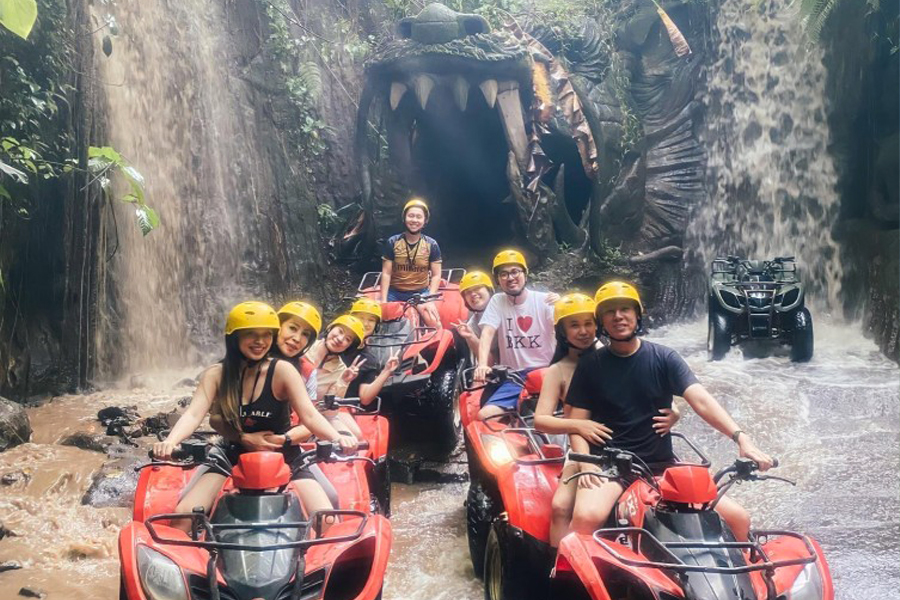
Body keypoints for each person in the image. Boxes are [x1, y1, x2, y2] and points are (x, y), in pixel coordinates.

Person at [565, 282, 774, 542]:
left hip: (661, 467)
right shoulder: (590, 366)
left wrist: (742, 438)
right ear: (602, 322)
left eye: (624, 309)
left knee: (738, 517)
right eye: (610, 312)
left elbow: (701, 400)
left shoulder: (664, 358)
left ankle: (746, 577)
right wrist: (585, 462)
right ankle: (566, 578)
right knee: (587, 518)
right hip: (610, 466)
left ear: (637, 314)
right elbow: (577, 424)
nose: (618, 316)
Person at [152, 302, 356, 532]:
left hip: (285, 454)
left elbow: (309, 414)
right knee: (182, 516)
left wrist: (337, 437)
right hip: (232, 453)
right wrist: (171, 440)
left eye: (266, 335)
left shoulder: (283, 371)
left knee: (327, 519)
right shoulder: (215, 375)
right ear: (235, 336)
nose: (260, 341)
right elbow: (193, 414)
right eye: (251, 334)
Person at [533, 293, 680, 548]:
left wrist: (675, 413)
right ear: (561, 332)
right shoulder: (558, 370)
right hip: (583, 448)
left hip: (629, 445)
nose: (583, 331)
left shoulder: (612, 354)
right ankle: (558, 563)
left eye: (588, 323)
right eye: (574, 325)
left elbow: (656, 394)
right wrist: (578, 425)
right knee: (560, 506)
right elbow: (541, 420)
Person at [473, 249, 558, 420]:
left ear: (525, 274)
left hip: (549, 373)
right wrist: (482, 365)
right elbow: (487, 332)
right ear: (498, 280)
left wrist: (562, 306)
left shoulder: (545, 301)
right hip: (516, 377)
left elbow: (567, 330)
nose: (510, 278)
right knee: (484, 417)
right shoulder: (498, 301)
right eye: (503, 274)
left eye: (515, 271)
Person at [380, 198, 442, 327]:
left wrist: (430, 299)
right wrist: (384, 300)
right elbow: (386, 273)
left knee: (435, 323)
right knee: (379, 320)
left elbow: (436, 275)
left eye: (419, 217)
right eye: (411, 216)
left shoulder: (431, 244)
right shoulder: (393, 242)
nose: (414, 220)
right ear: (404, 218)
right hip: (395, 292)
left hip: (420, 293)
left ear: (425, 221)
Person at [305, 314, 369, 439]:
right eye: (340, 331)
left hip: (315, 414)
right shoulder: (304, 348)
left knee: (352, 438)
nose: (340, 339)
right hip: (287, 410)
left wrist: (343, 382)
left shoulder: (341, 370)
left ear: (349, 347)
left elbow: (329, 412)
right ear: (330, 329)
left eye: (347, 339)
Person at [346, 297, 400, 406]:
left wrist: (386, 371)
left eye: (371, 320)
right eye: (361, 318)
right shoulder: (335, 342)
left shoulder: (369, 359)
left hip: (342, 406)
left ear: (376, 326)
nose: (365, 324)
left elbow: (365, 398)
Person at [453, 270, 494, 361]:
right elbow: (489, 363)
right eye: (467, 292)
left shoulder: (507, 309)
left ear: (489, 290)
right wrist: (471, 337)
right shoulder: (471, 325)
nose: (473, 294)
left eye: (477, 288)